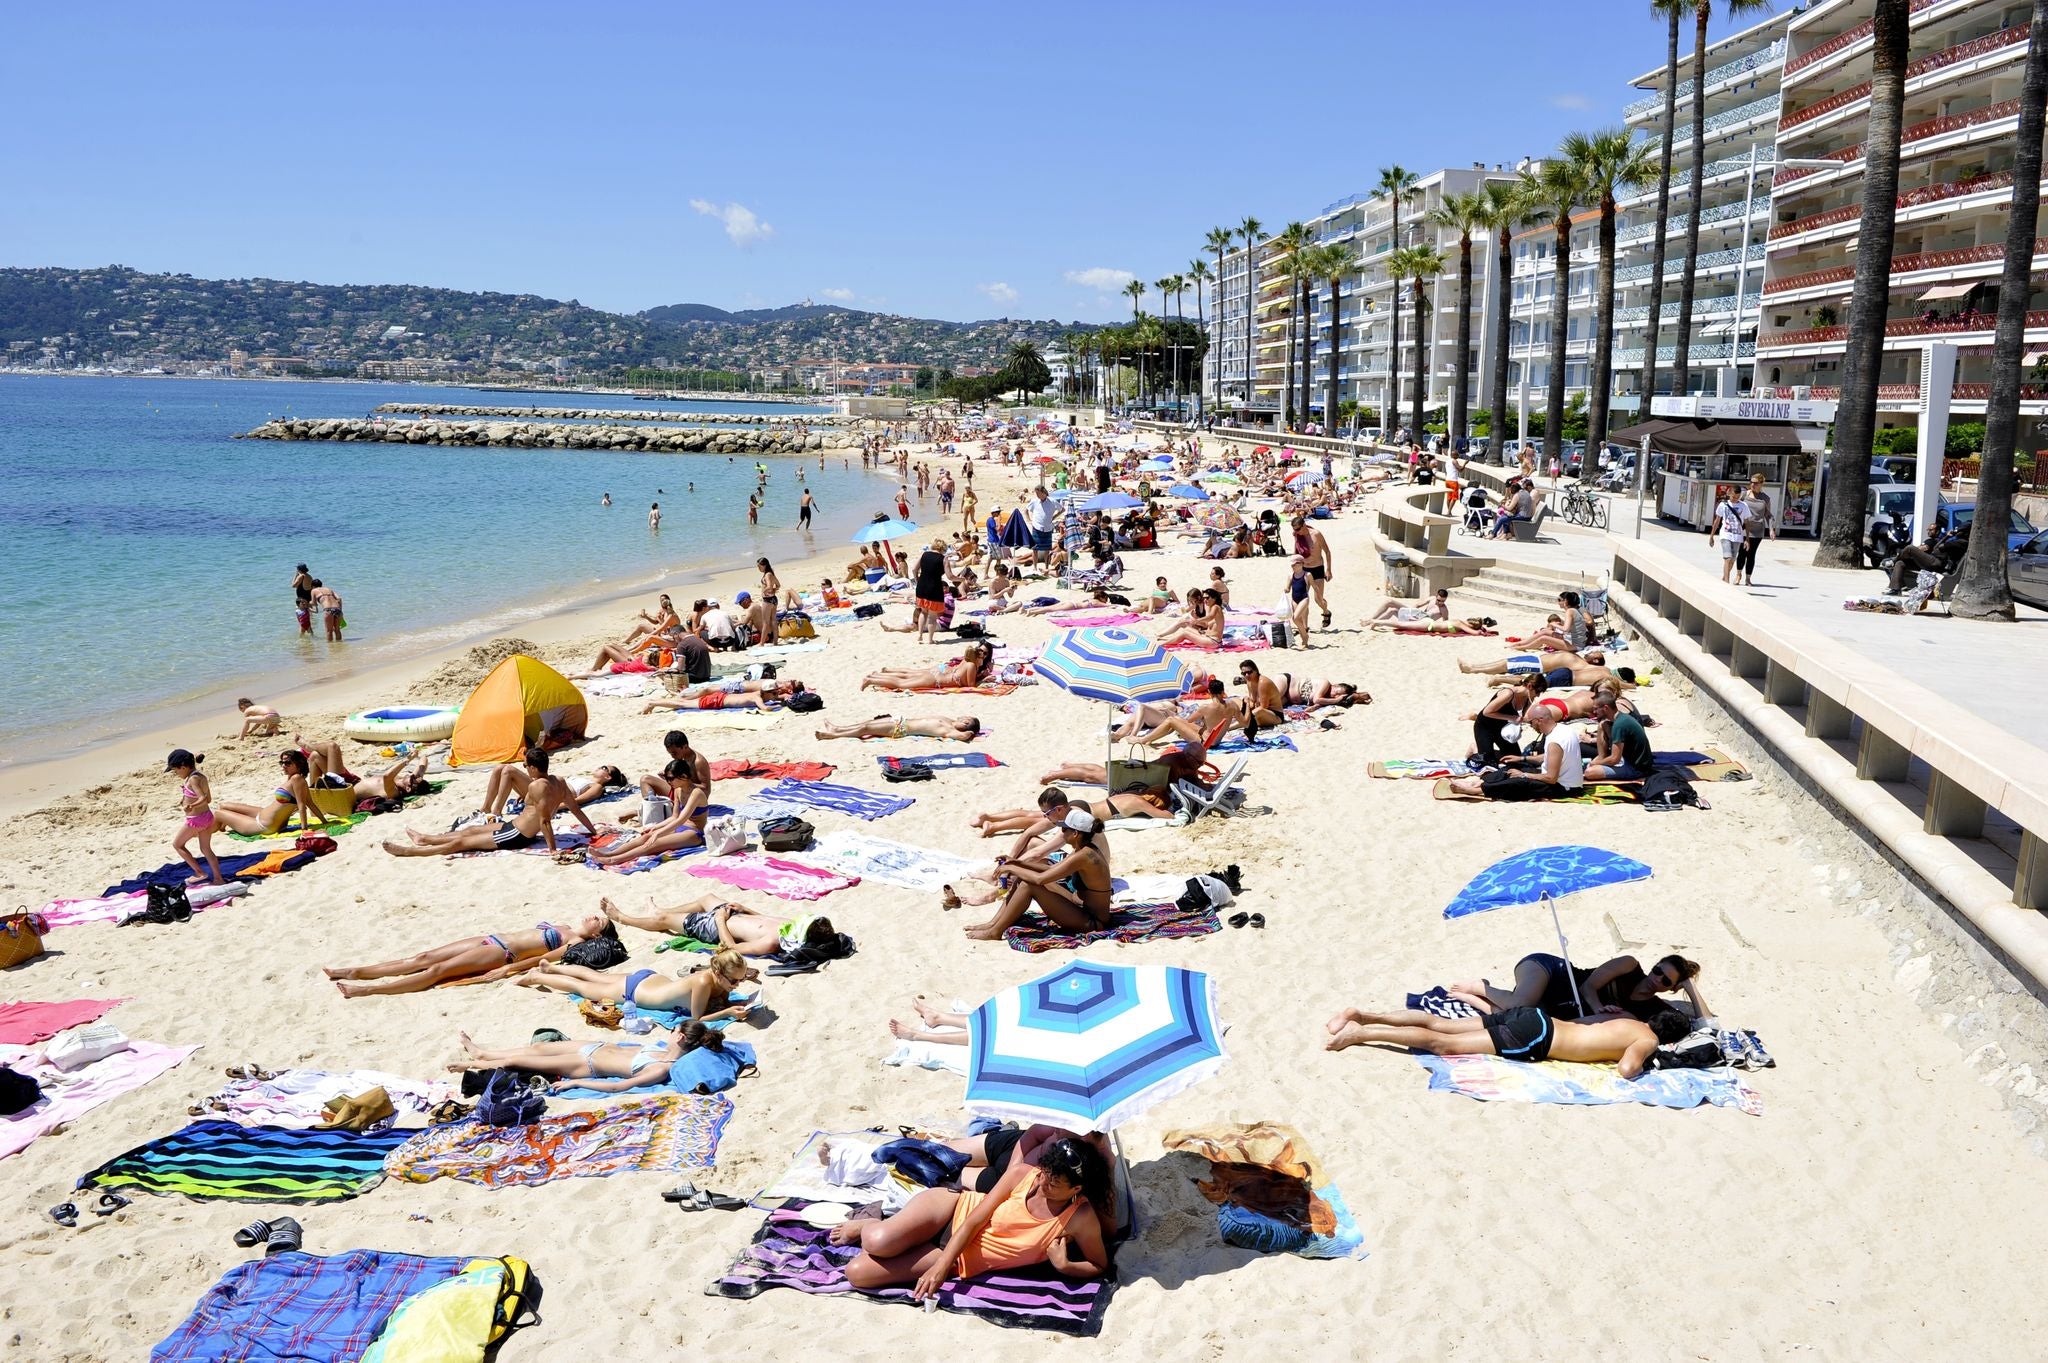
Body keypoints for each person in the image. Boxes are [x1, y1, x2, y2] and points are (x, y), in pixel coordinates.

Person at [830, 1133, 1111, 1297]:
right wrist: (940, 1267)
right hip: (952, 1211)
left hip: (961, 1258)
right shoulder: (1026, 1175)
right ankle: (869, 1223)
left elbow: (1100, 1265)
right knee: (878, 1241)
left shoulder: (1080, 1217)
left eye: (1054, 1183)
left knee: (857, 1274)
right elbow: (975, 1219)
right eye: (1046, 1172)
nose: (1044, 1181)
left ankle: (900, 1236)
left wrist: (1065, 1266)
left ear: (1076, 1188)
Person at [1322, 1001, 1690, 1078]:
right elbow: (1627, 1069)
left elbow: (1583, 1021)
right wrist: (1644, 1063)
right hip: (1537, 1037)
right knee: (1442, 1045)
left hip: (1537, 1017)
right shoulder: (1646, 1039)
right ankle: (1361, 1033)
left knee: (1440, 1023)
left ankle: (1360, 1013)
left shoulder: (1628, 1018)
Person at [323, 914, 612, 996]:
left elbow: (540, 960)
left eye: (600, 922)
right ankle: (355, 971)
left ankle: (368, 989)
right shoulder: (563, 925)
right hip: (492, 937)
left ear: (597, 935)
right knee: (422, 958)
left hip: (502, 953)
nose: (593, 917)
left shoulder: (574, 941)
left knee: (436, 972)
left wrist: (507, 970)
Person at [382, 747, 596, 856]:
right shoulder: (559, 781)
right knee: (471, 831)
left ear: (532, 767)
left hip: (518, 835)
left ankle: (410, 851)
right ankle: (424, 838)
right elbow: (575, 809)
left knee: (462, 843)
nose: (524, 769)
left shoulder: (536, 786)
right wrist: (592, 831)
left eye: (525, 766)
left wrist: (552, 850)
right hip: (514, 826)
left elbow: (545, 822)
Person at [1449, 951, 1710, 1023]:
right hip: (1551, 971)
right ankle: (1480, 986)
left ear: (1672, 988)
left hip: (1556, 1007)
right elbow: (1588, 987)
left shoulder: (1654, 1007)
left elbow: (1707, 1024)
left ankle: (1477, 998)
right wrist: (1599, 1008)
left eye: (1667, 981)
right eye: (1658, 970)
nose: (1657, 979)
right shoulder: (1630, 964)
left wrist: (1690, 986)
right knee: (1520, 1004)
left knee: (1511, 1019)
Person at [520, 947, 761, 1020]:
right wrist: (728, 1012)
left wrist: (729, 999)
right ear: (718, 972)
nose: (738, 984)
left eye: (741, 979)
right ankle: (538, 976)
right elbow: (697, 1018)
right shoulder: (702, 981)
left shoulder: (719, 979)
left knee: (597, 976)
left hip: (651, 980)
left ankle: (550, 967)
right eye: (734, 980)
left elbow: (723, 998)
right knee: (581, 987)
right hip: (634, 991)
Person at [601, 895, 841, 960]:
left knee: (667, 924)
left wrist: (719, 922)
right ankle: (663, 911)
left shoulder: (772, 942)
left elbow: (732, 948)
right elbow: (765, 918)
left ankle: (624, 918)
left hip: (717, 927)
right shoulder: (792, 927)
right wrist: (746, 909)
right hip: (733, 915)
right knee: (707, 898)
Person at [1443, 697, 1584, 800]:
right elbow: (1552, 757)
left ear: (1539, 720)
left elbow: (1551, 778)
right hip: (1559, 779)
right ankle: (1479, 782)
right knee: (1513, 767)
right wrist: (1522, 758)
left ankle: (1476, 790)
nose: (1531, 726)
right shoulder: (1563, 730)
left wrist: (1523, 775)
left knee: (1517, 782)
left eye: (1531, 723)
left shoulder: (1554, 740)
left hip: (1565, 788)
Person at [209, 749, 335, 838]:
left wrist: (304, 830)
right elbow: (311, 803)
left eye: (287, 763)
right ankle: (222, 827)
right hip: (263, 814)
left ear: (299, 764)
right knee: (224, 805)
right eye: (282, 762)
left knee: (218, 813)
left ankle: (207, 832)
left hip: (263, 825)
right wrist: (324, 821)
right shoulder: (294, 778)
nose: (283, 766)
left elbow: (303, 806)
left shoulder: (297, 779)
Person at [166, 749, 226, 886]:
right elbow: (209, 799)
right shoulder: (200, 776)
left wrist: (191, 806)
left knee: (178, 845)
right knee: (206, 849)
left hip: (195, 820)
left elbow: (203, 798)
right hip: (207, 817)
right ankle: (218, 878)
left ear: (183, 767)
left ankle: (200, 873)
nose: (176, 774)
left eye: (176, 771)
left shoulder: (192, 779)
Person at [862, 641, 994, 692]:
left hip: (937, 676)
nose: (984, 659)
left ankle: (877, 675)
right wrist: (983, 680)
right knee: (901, 683)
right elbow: (970, 686)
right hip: (935, 680)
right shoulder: (971, 665)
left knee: (907, 677)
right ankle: (871, 680)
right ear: (979, 657)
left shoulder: (967, 661)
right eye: (983, 656)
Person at [1584, 692, 1656, 781]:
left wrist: (1596, 763)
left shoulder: (1619, 725)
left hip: (1637, 769)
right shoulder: (1621, 718)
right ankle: (1601, 758)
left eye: (1596, 709)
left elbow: (1615, 759)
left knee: (1589, 772)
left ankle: (1600, 763)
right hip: (1630, 760)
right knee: (1603, 725)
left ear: (1606, 708)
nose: (1594, 712)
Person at [1291, 516, 1334, 627]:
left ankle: (1326, 612)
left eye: (1298, 529)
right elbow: (1296, 553)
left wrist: (1329, 570)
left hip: (1318, 568)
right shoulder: (1297, 536)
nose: (1296, 532)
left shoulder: (1316, 534)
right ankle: (1305, 627)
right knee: (1303, 600)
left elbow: (1327, 551)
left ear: (1304, 525)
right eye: (1294, 529)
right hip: (1304, 569)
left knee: (1318, 599)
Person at [814, 714, 981, 742]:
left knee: (866, 729)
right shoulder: (949, 721)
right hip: (901, 720)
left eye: (965, 720)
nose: (961, 718)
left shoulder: (951, 730)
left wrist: (971, 732)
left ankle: (833, 735)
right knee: (866, 724)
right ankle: (838, 728)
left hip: (902, 729)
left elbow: (964, 736)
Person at [1736, 472, 1774, 586]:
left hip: (1758, 530)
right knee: (1742, 552)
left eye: (1755, 483)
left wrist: (1771, 529)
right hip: (1744, 529)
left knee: (1751, 554)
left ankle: (1748, 578)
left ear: (1761, 484)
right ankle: (1738, 574)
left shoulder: (1765, 498)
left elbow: (1768, 515)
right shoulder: (1744, 495)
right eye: (1751, 482)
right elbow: (1736, 507)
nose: (1752, 485)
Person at [1156, 589, 1224, 649]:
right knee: (1186, 629)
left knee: (1185, 633)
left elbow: (1210, 617)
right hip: (1207, 637)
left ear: (1214, 598)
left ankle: (1162, 644)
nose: (1205, 600)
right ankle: (1166, 639)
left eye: (1207, 598)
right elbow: (1210, 622)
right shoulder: (1213, 607)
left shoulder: (1216, 607)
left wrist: (1197, 620)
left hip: (1213, 641)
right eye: (1204, 598)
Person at [913, 539, 949, 646]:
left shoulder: (924, 554)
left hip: (921, 587)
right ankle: (930, 639)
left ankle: (920, 635)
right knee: (932, 616)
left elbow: (914, 569)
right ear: (942, 548)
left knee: (923, 612)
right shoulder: (943, 559)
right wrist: (960, 579)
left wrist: (917, 581)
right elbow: (949, 575)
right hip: (934, 588)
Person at [1365, 589, 1450, 625]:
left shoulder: (1444, 610)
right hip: (1415, 613)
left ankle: (1373, 621)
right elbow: (1418, 605)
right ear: (1436, 596)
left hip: (1420, 621)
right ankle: (1371, 620)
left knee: (1393, 611)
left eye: (1443, 601)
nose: (1440, 602)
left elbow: (1445, 623)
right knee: (1389, 602)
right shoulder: (1432, 598)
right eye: (1438, 600)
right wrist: (1410, 611)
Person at [1283, 556, 1313, 647]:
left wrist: (1319, 598)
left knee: (1295, 618)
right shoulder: (1290, 575)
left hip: (1304, 598)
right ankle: (1305, 640)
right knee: (1298, 620)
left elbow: (1315, 587)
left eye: (1295, 564)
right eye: (1292, 564)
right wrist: (1286, 589)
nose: (1292, 566)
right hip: (1294, 599)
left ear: (1301, 564)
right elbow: (1288, 588)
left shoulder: (1307, 575)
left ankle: (1305, 637)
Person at [291, 565, 315, 636]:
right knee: (308, 614)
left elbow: (293, 585)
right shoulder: (309, 576)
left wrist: (295, 575)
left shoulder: (301, 576)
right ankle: (311, 634)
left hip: (302, 598)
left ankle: (302, 634)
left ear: (299, 570)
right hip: (308, 596)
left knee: (301, 615)